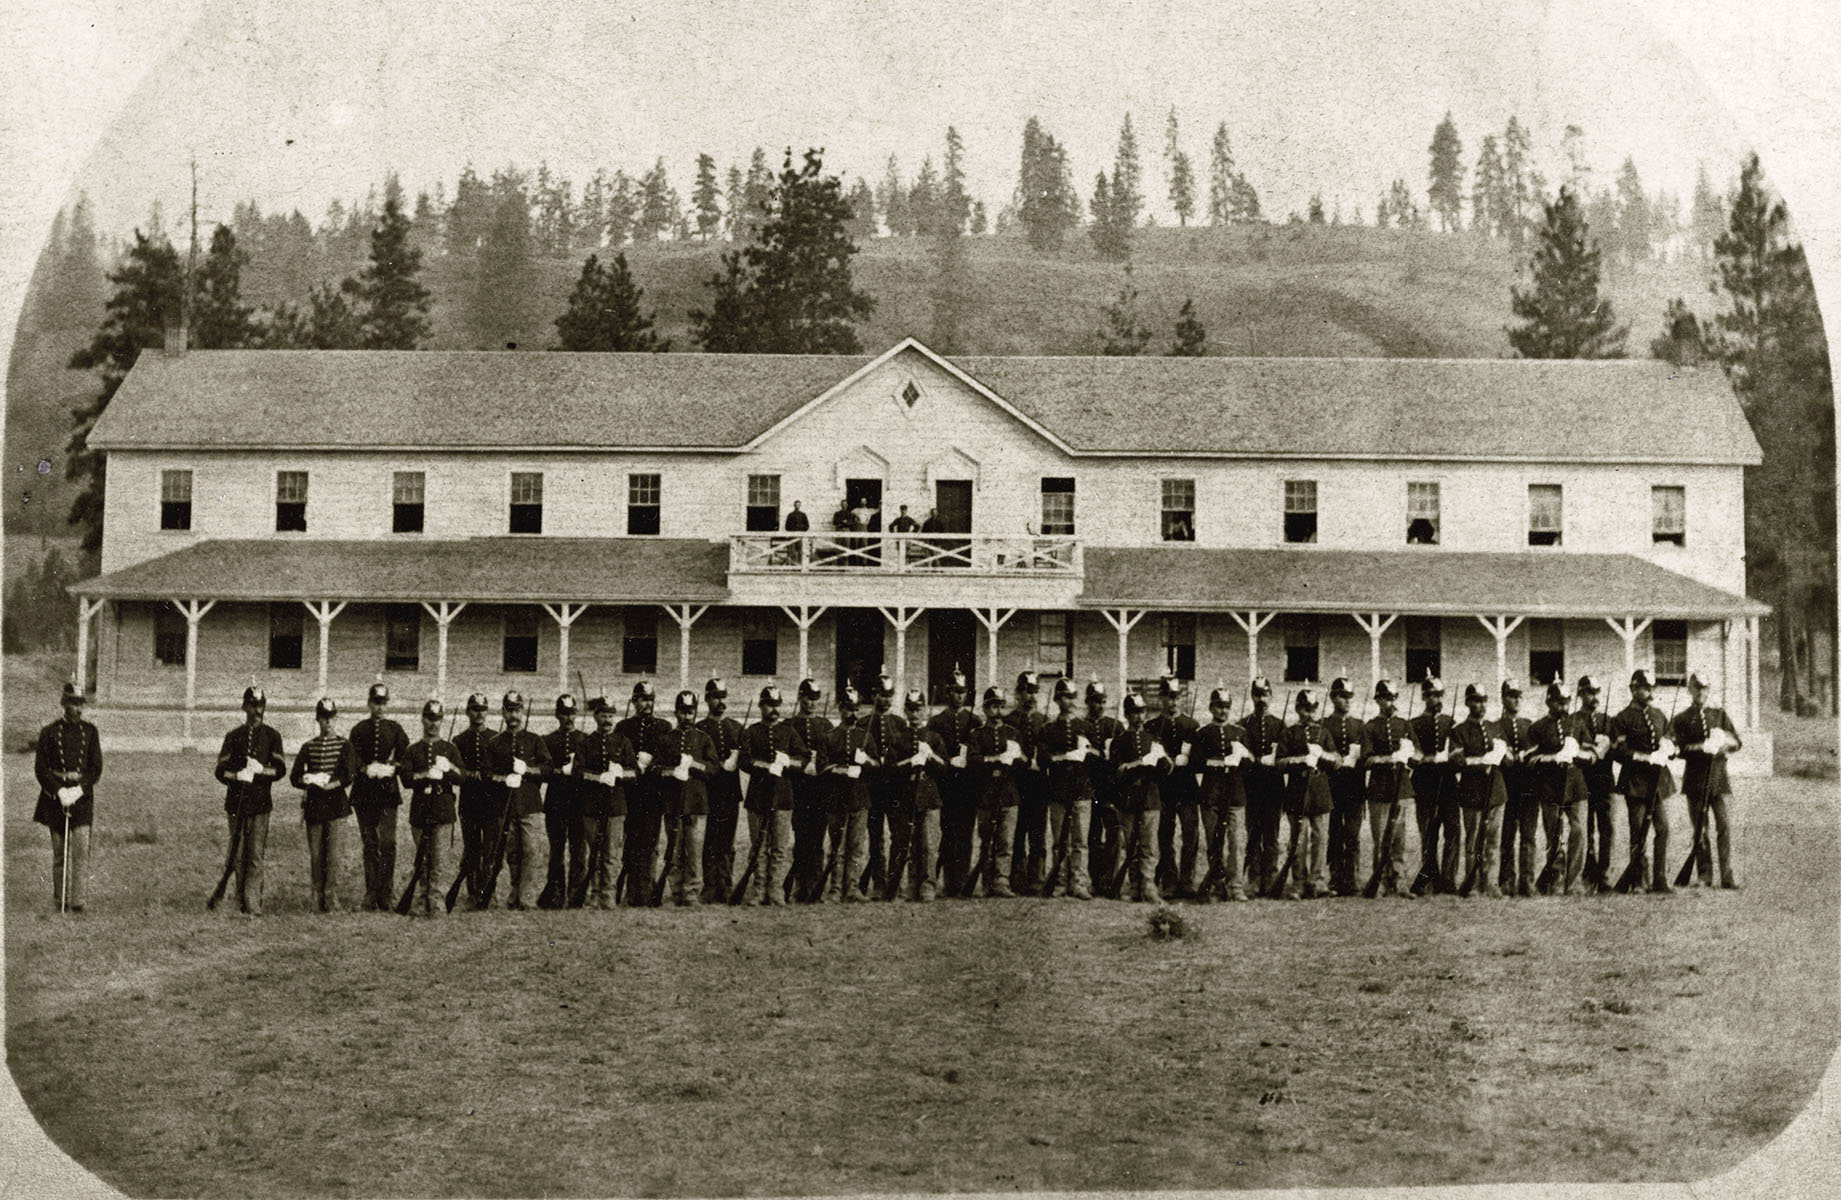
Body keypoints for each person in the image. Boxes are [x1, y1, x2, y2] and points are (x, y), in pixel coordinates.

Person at [214, 685, 287, 916]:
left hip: (260, 803)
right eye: (253, 705)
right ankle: (238, 899)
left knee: (255, 854)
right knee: (237, 853)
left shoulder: (272, 737)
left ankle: (253, 901)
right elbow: (220, 771)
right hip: (236, 802)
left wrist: (260, 770)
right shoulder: (233, 736)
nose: (257, 710)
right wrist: (236, 776)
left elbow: (280, 770)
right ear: (244, 706)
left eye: (260, 705)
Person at [34, 680, 102, 914]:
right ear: (64, 704)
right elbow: (40, 769)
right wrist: (60, 791)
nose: (79, 709)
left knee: (81, 852)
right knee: (59, 853)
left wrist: (78, 789)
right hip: (55, 799)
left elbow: (96, 768)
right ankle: (60, 900)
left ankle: (78, 902)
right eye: (74, 704)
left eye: (81, 704)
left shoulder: (91, 732)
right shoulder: (49, 732)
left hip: (81, 798)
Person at [740, 683, 810, 905]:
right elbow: (744, 760)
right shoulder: (751, 732)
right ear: (761, 706)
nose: (774, 709)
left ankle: (776, 890)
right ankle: (759, 889)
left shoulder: (789, 732)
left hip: (782, 797)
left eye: (777, 704)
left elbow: (804, 758)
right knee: (759, 847)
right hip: (758, 797)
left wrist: (788, 762)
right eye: (769, 705)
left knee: (779, 847)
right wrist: (764, 766)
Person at [1672, 672, 1742, 889]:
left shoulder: (1719, 715)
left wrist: (1724, 745)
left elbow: (1737, 742)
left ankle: (1727, 876)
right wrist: (1700, 747)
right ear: (1690, 690)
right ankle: (1705, 875)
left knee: (1725, 826)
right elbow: (1677, 748)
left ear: (1709, 690)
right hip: (1695, 780)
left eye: (1705, 688)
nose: (1701, 692)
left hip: (1719, 780)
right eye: (1697, 688)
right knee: (1700, 829)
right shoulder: (1682, 718)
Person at [483, 690, 551, 910]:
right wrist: (504, 779)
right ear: (503, 712)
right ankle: (515, 893)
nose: (514, 715)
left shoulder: (534, 740)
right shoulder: (495, 743)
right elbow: (486, 774)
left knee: (531, 851)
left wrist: (528, 770)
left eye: (517, 710)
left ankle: (527, 897)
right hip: (505, 806)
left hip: (529, 805)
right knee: (512, 852)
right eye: (509, 710)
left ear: (522, 712)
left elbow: (547, 769)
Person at [348, 680, 410, 911]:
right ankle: (371, 892)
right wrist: (365, 768)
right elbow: (352, 758)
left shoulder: (395, 728)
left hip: (387, 794)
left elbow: (406, 755)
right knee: (370, 844)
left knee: (388, 842)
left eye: (383, 703)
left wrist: (392, 767)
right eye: (376, 702)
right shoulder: (359, 729)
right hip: (364, 793)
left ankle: (386, 892)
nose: (380, 707)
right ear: (369, 703)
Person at [1612, 669, 1675, 894]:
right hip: (1635, 782)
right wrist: (1644, 757)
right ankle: (1639, 879)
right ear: (1633, 689)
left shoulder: (1659, 715)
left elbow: (1670, 740)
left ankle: (1659, 879)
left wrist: (1669, 750)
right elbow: (1619, 751)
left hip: (1657, 781)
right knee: (1638, 830)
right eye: (1644, 688)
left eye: (1650, 688)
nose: (1648, 692)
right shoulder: (1622, 718)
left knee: (1663, 828)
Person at [290, 697, 355, 912]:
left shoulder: (344, 745)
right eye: (323, 718)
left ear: (336, 718)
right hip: (315, 807)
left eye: (330, 718)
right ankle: (317, 897)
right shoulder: (309, 746)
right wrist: (307, 779)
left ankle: (331, 897)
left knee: (334, 855)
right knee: (317, 855)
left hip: (337, 806)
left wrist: (331, 784)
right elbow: (295, 776)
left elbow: (348, 774)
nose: (327, 722)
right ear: (317, 719)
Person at [399, 698, 462, 917]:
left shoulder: (449, 749)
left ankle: (437, 903)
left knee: (439, 860)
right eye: (429, 718)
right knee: (422, 859)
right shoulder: (413, 749)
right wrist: (426, 774)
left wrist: (448, 768)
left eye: (437, 719)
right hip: (420, 809)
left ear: (442, 721)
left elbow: (461, 778)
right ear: (422, 719)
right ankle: (419, 901)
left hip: (443, 809)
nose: (433, 724)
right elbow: (406, 778)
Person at [1526, 681, 1589, 895]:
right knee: (1554, 835)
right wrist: (1553, 758)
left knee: (1579, 831)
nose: (1564, 707)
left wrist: (1579, 754)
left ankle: (1573, 883)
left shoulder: (1577, 724)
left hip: (1575, 784)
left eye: (1567, 702)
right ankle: (1553, 880)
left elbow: (1592, 752)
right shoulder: (1538, 728)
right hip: (1550, 785)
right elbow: (1529, 758)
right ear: (1549, 702)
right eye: (1560, 703)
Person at [576, 692, 637, 909]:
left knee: (612, 854)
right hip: (592, 806)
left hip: (615, 807)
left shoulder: (623, 742)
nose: (608, 720)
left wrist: (620, 773)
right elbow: (578, 771)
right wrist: (598, 777)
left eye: (611, 715)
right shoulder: (586, 742)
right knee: (595, 852)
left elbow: (635, 772)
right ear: (595, 717)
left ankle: (608, 895)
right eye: (603, 715)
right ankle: (594, 893)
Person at [1448, 683, 1507, 898]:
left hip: (1496, 792)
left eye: (1483, 701)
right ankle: (1471, 883)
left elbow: (1506, 759)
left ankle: (1491, 883)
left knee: (1493, 840)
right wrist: (1483, 761)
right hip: (1472, 792)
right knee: (1473, 840)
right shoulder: (1459, 731)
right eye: (1475, 701)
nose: (1480, 705)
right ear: (1467, 703)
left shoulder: (1495, 728)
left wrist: (1502, 755)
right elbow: (1456, 761)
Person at [1038, 677, 1095, 899]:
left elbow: (1098, 759)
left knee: (1080, 841)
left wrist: (1087, 752)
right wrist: (1063, 757)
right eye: (1063, 697)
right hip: (1058, 790)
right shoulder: (1048, 729)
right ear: (1056, 700)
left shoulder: (1086, 727)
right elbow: (1042, 758)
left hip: (1081, 790)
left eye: (1072, 697)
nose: (1068, 701)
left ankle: (1079, 882)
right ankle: (1060, 881)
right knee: (1059, 840)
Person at [1190, 685, 1248, 901]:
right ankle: (1216, 882)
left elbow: (1250, 764)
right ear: (1211, 707)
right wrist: (1219, 762)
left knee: (1236, 842)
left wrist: (1241, 757)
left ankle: (1236, 886)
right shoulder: (1202, 733)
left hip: (1235, 795)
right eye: (1219, 706)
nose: (1223, 711)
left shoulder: (1240, 733)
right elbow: (1195, 762)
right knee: (1214, 841)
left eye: (1226, 706)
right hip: (1211, 795)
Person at [928, 664, 981, 896]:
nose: (958, 696)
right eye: (954, 692)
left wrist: (967, 756)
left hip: (968, 785)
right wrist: (949, 761)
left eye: (962, 692)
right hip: (946, 785)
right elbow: (933, 752)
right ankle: (949, 882)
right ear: (947, 693)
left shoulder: (976, 721)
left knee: (966, 833)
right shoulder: (938, 721)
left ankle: (962, 881)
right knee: (948, 833)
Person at [658, 690, 715, 905]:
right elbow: (656, 768)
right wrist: (672, 771)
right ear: (676, 713)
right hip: (673, 803)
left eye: (690, 712)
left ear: (695, 713)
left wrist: (693, 765)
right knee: (674, 851)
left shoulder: (703, 739)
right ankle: (676, 891)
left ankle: (691, 893)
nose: (686, 717)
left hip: (696, 804)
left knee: (694, 851)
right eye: (682, 712)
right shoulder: (666, 739)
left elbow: (713, 768)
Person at [862, 674, 916, 899]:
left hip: (896, 788)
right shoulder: (864, 724)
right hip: (873, 787)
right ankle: (878, 883)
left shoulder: (900, 724)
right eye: (881, 695)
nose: (885, 700)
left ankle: (894, 883)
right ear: (874, 695)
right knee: (875, 838)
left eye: (889, 696)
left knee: (898, 836)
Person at [1277, 689, 1334, 899]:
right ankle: (1299, 882)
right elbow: (1279, 762)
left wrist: (1323, 755)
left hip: (1319, 791)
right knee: (1298, 839)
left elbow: (1337, 760)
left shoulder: (1323, 732)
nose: (1308, 714)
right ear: (1297, 709)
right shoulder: (1289, 733)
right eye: (1304, 709)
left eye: (1312, 709)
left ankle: (1317, 881)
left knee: (1320, 838)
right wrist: (1301, 759)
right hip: (1297, 791)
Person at [1146, 676, 1201, 898]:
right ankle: (1169, 880)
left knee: (1190, 835)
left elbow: (1200, 759)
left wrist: (1189, 758)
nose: (1173, 701)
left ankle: (1187, 881)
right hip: (1164, 790)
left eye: (1176, 697)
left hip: (1187, 790)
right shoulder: (1152, 726)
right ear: (1161, 698)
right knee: (1165, 837)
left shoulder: (1192, 725)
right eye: (1169, 697)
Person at [1107, 692, 1164, 903]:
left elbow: (1164, 768)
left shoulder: (1153, 739)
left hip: (1150, 799)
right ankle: (1126, 887)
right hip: (1128, 800)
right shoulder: (1119, 741)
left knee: (1149, 846)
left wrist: (1161, 762)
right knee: (1127, 846)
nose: (1139, 717)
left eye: (1141, 711)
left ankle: (1148, 886)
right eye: (1134, 712)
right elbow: (1117, 770)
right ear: (1127, 714)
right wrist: (1139, 764)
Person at [1361, 680, 1416, 898]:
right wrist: (1389, 759)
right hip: (1379, 790)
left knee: (1399, 839)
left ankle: (1399, 881)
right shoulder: (1370, 727)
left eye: (1393, 698)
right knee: (1380, 839)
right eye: (1386, 698)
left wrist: (1408, 754)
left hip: (1401, 788)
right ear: (1378, 700)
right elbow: (1366, 759)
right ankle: (1380, 880)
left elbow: (1418, 754)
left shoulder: (1405, 725)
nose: (1390, 702)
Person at [616, 681, 667, 905]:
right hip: (629, 793)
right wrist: (633, 763)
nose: (647, 704)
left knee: (650, 844)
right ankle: (630, 891)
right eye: (642, 699)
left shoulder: (664, 727)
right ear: (634, 701)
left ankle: (647, 891)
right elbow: (617, 756)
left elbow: (666, 757)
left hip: (653, 794)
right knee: (630, 843)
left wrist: (652, 764)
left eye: (650, 699)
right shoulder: (623, 727)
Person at [970, 685, 1024, 898]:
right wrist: (994, 760)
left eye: (1001, 706)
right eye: (993, 706)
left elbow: (1023, 765)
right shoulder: (977, 734)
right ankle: (986, 882)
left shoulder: (1013, 734)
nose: (998, 711)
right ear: (985, 709)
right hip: (985, 794)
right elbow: (972, 761)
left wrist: (1018, 758)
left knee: (1006, 842)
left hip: (1009, 795)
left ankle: (1002, 882)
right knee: (986, 840)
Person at [698, 678, 747, 904]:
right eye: (716, 697)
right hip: (708, 792)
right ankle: (709, 885)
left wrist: (738, 758)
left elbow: (747, 758)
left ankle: (725, 884)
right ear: (707, 698)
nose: (720, 701)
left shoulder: (736, 727)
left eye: (723, 697)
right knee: (710, 840)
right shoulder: (700, 729)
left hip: (730, 792)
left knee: (727, 840)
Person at [823, 684, 874, 901]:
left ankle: (852, 888)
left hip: (859, 799)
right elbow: (822, 767)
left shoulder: (865, 736)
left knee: (856, 846)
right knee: (837, 846)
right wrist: (843, 770)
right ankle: (835, 888)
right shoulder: (830, 736)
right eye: (848, 709)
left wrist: (866, 761)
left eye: (856, 709)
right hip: (836, 799)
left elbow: (878, 766)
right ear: (841, 709)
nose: (853, 714)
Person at [897, 689, 948, 901]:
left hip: (929, 797)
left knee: (929, 845)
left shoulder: (934, 737)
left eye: (918, 709)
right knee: (910, 843)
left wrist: (931, 756)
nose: (915, 713)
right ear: (905, 711)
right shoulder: (900, 738)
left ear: (925, 709)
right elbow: (890, 768)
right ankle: (911, 884)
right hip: (908, 796)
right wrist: (910, 762)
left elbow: (945, 768)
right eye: (911, 709)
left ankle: (928, 886)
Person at [538, 694, 587, 909]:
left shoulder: (585, 739)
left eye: (572, 713)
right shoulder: (547, 740)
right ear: (557, 715)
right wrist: (559, 771)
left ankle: (576, 895)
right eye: (564, 714)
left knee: (578, 851)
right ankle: (555, 895)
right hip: (556, 802)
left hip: (579, 803)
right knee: (556, 850)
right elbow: (544, 771)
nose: (568, 718)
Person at [785, 679, 833, 901]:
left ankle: (814, 886)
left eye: (815, 699)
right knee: (801, 837)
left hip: (821, 789)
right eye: (808, 698)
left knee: (817, 838)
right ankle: (798, 885)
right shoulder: (789, 725)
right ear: (799, 697)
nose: (812, 703)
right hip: (798, 788)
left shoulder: (825, 726)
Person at [1408, 677, 1457, 895]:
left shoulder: (1450, 722)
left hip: (1448, 784)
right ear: (1424, 697)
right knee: (1429, 834)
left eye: (1440, 695)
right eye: (1433, 696)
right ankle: (1429, 877)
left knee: (1453, 831)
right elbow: (1411, 756)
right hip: (1425, 784)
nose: (1438, 700)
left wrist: (1450, 757)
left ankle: (1448, 880)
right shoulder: (1414, 724)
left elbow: (1456, 752)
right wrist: (1426, 759)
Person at [1240, 678, 1286, 895]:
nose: (1262, 700)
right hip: (1251, 787)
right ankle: (1254, 877)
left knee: (1272, 836)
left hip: (1273, 788)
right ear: (1252, 696)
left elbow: (1285, 755)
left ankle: (1270, 878)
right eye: (1258, 695)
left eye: (1265, 695)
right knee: (1253, 835)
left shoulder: (1279, 724)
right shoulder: (1243, 724)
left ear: (1271, 696)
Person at [1322, 677, 1368, 896]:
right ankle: (1334, 878)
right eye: (1342, 696)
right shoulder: (1324, 724)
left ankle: (1352, 878)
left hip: (1354, 788)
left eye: (1350, 696)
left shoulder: (1360, 725)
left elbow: (1367, 756)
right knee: (1334, 834)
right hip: (1331, 787)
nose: (1347, 700)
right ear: (1332, 698)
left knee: (1352, 834)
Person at [1574, 675, 1618, 890]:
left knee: (1607, 827)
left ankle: (1604, 872)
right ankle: (1587, 871)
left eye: (1597, 692)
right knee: (1586, 827)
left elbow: (1618, 750)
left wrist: (1609, 744)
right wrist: (1590, 747)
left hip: (1604, 781)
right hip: (1582, 780)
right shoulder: (1574, 720)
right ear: (1581, 694)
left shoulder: (1608, 721)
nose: (1594, 697)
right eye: (1589, 692)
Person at [453, 693, 497, 906]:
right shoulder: (459, 740)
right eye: (474, 709)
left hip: (491, 802)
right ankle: (472, 892)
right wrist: (469, 774)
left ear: (487, 712)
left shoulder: (496, 738)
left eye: (482, 709)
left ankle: (488, 892)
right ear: (468, 712)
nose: (478, 714)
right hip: (469, 801)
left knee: (490, 849)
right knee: (472, 848)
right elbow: (456, 771)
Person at [1082, 678, 1124, 894]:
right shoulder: (1081, 726)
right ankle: (1095, 880)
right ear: (1087, 702)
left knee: (1114, 835)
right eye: (1095, 701)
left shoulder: (1115, 726)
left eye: (1102, 701)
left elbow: (1121, 759)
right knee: (1092, 836)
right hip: (1089, 787)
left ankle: (1110, 880)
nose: (1099, 705)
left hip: (1110, 789)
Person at [1493, 679, 1535, 896]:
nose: (1516, 699)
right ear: (1502, 698)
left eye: (1519, 695)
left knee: (1528, 835)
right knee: (1507, 836)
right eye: (1511, 695)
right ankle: (1506, 881)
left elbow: (1535, 748)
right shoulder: (1495, 726)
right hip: (1507, 786)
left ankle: (1527, 882)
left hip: (1528, 787)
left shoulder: (1529, 724)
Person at [1007, 671, 1048, 891]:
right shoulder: (1009, 721)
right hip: (1016, 783)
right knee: (1017, 832)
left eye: (1033, 691)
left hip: (1039, 784)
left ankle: (1037, 878)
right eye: (1025, 691)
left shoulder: (1044, 720)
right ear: (1018, 693)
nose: (1029, 696)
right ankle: (1017, 877)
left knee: (1038, 833)